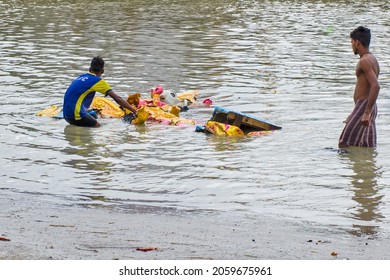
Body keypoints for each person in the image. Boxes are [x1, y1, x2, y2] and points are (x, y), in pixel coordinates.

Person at [63, 56, 138, 127]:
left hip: (66, 114)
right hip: (76, 115)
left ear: (90, 69)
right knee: (98, 127)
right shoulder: (97, 81)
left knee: (93, 116)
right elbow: (117, 98)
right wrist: (134, 111)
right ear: (102, 71)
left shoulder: (80, 77)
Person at [339, 26, 380, 148]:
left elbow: (375, 86)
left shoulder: (364, 61)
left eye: (351, 42)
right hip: (365, 106)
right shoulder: (372, 59)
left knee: (345, 143)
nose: (351, 45)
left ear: (357, 42)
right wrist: (355, 112)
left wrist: (366, 112)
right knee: (365, 145)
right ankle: (365, 166)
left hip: (365, 106)